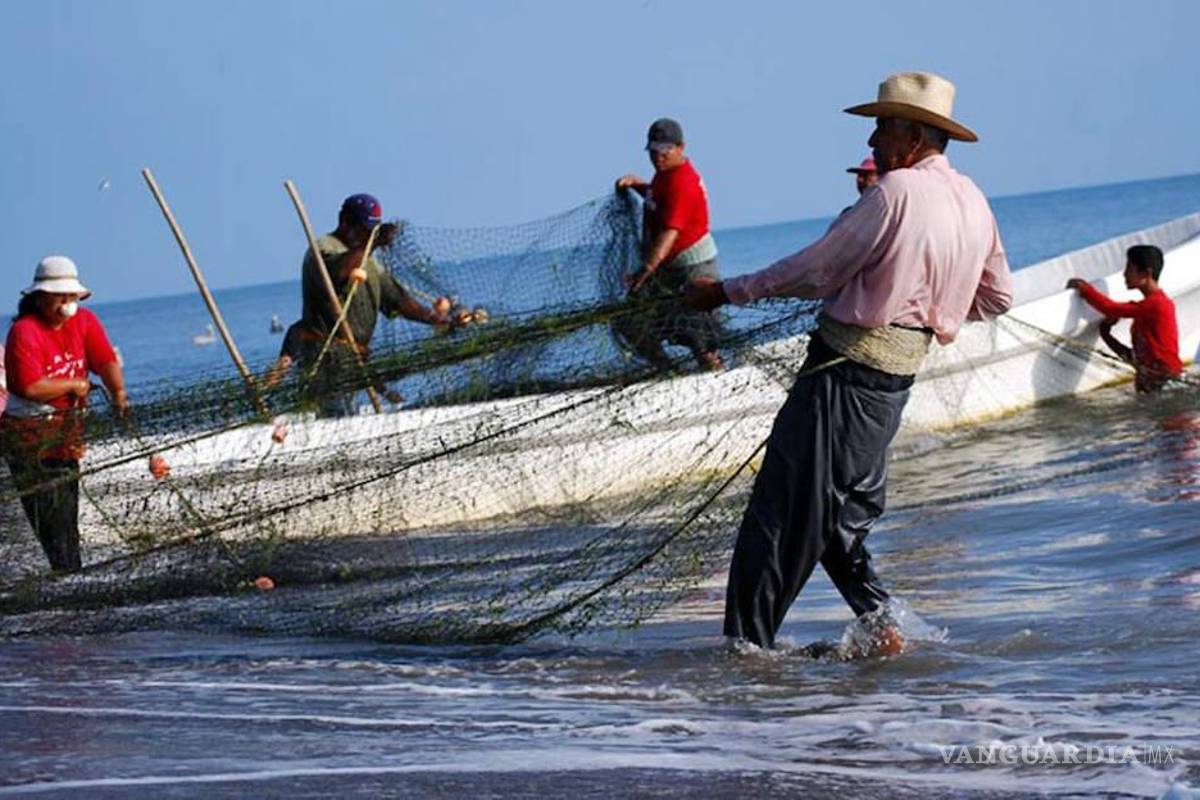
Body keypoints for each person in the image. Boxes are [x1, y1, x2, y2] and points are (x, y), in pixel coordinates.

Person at [684, 71, 1013, 653]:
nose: (872, 144)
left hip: (842, 379)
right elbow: (996, 298)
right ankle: (887, 627)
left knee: (779, 517)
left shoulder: (895, 193)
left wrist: (726, 291)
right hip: (890, 386)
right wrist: (932, 305)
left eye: (882, 128)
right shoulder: (973, 201)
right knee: (836, 522)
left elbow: (818, 270)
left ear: (912, 136)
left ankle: (745, 658)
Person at [2, 256, 128, 572]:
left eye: (71, 297)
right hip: (29, 442)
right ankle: (68, 578)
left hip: (66, 439)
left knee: (67, 516)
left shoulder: (85, 322)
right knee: (50, 520)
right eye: (60, 297)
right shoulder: (24, 331)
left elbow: (106, 360)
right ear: (39, 297)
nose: (67, 304)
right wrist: (76, 383)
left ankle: (71, 575)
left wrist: (119, 395)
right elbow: (30, 387)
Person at [284, 193, 448, 417]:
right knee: (334, 417)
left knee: (349, 414)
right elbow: (340, 271)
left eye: (373, 231)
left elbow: (399, 301)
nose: (368, 236)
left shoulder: (370, 261)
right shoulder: (324, 248)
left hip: (354, 363)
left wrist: (435, 318)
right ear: (344, 221)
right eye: (364, 229)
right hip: (325, 362)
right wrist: (374, 243)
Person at [614, 118, 724, 371]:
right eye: (653, 151)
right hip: (668, 269)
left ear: (681, 147)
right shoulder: (665, 175)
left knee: (701, 337)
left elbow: (669, 234)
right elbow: (659, 199)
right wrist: (638, 185)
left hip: (694, 269)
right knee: (630, 322)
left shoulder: (682, 181)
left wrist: (645, 271)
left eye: (664, 150)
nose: (658, 157)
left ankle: (718, 379)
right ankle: (669, 371)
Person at [1066, 244, 1183, 393]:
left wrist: (1085, 290)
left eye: (1129, 269)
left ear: (1146, 274)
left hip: (1168, 384)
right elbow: (1135, 358)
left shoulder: (1157, 305)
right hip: (1155, 387)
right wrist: (1105, 334)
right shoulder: (1145, 312)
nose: (1124, 274)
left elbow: (1110, 308)